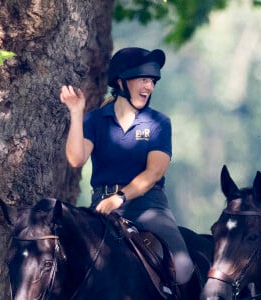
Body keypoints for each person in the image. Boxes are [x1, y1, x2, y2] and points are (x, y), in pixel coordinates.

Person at [60, 47, 194, 290]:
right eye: (143, 79)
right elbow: (76, 159)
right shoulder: (95, 120)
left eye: (152, 81)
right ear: (121, 82)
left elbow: (154, 173)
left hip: (148, 205)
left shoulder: (159, 123)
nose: (149, 87)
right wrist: (76, 113)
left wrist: (119, 198)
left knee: (183, 268)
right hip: (102, 206)